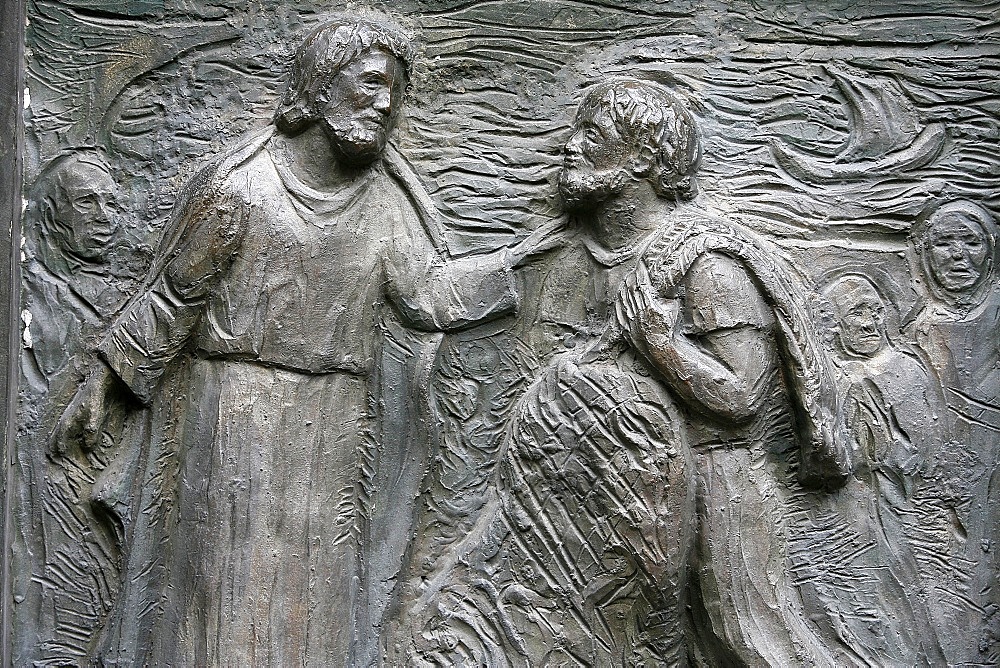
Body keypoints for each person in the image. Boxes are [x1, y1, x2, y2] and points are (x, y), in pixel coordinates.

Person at [54, 17, 547, 666]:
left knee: (315, 595)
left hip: (332, 428)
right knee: (225, 588)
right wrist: (103, 381)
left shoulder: (384, 204)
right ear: (318, 87)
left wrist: (521, 265)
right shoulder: (241, 190)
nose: (386, 104)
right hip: (234, 418)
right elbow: (173, 300)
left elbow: (428, 294)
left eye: (394, 92)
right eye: (370, 84)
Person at [391, 78, 853, 667]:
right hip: (585, 496)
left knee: (749, 644)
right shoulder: (561, 257)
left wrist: (660, 342)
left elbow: (742, 393)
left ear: (643, 158)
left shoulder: (703, 261)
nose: (571, 146)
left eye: (594, 135)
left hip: (712, 491)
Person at [12, 152, 140, 665]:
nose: (107, 217)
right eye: (88, 203)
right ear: (49, 216)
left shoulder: (117, 296)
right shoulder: (38, 296)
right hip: (57, 496)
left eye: (113, 203)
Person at [907, 199, 1000, 664]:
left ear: (991, 249)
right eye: (944, 243)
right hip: (942, 478)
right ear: (924, 252)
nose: (959, 255)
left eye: (972, 242)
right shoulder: (917, 330)